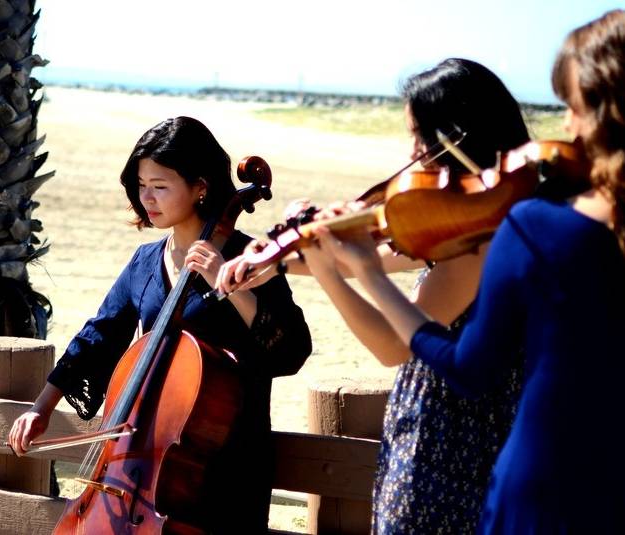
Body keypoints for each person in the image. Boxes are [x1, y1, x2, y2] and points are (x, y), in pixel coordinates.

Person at [306, 10, 625, 533]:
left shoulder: (527, 228)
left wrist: (355, 274)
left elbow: (440, 360)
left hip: (489, 467)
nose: (565, 124)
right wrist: (283, 259)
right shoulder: (519, 222)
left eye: (572, 105)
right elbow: (392, 251)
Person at [217, 58, 529, 533]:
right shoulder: (462, 221)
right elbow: (381, 254)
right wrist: (275, 262)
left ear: (456, 135)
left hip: (452, 448)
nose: (412, 152)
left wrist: (327, 274)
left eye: (418, 136)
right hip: (441, 439)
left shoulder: (479, 241)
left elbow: (391, 345)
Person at [7, 116, 312, 531]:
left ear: (200, 186)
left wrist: (227, 279)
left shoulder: (251, 257)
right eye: (141, 185)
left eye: (160, 186)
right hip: (148, 464)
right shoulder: (145, 262)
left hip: (226, 466)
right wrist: (41, 408)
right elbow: (97, 336)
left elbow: (291, 348)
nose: (146, 198)